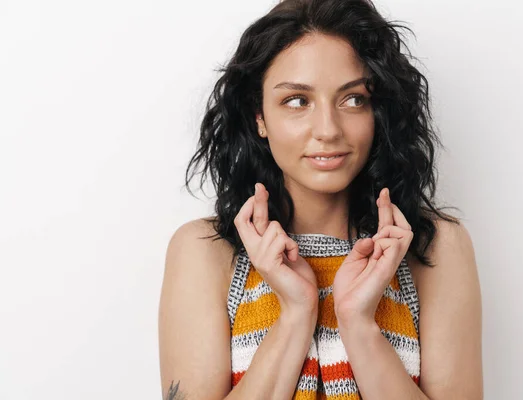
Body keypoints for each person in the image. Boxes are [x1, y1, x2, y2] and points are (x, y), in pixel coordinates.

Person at [158, 0, 483, 399]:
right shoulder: (205, 252)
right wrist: (296, 314)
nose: (327, 129)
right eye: (297, 100)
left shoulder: (434, 248)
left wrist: (358, 323)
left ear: (378, 111)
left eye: (353, 99)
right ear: (259, 116)